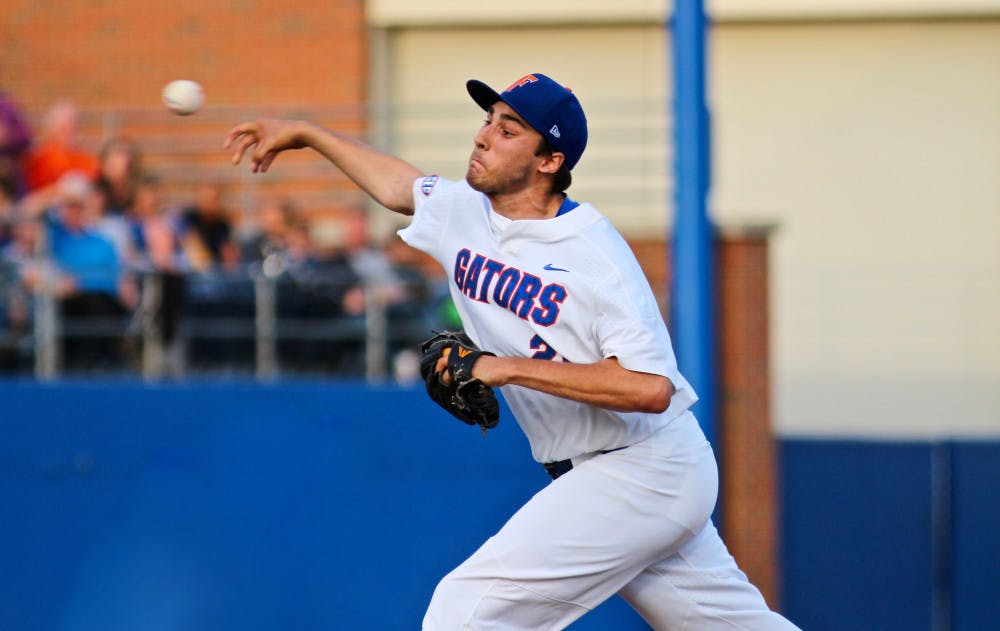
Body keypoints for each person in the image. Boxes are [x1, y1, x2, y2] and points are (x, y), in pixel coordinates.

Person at [225, 72, 799, 630]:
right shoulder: (465, 212)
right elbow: (400, 187)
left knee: (466, 612)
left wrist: (505, 369)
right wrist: (310, 134)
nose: (483, 135)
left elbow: (652, 388)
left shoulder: (594, 255)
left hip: (642, 468)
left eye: (508, 130)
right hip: (613, 473)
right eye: (488, 120)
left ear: (549, 161)